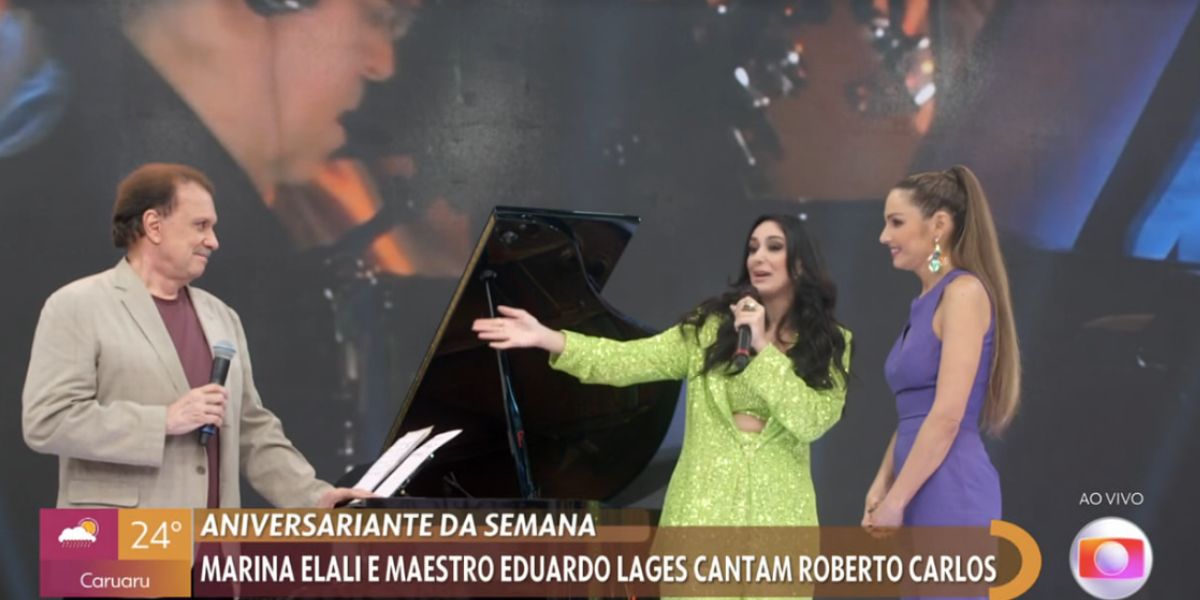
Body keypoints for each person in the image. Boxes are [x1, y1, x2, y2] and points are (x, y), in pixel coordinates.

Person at [21, 162, 373, 509]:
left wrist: (313, 496)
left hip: (214, 547)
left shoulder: (222, 317)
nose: (213, 241)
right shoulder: (77, 305)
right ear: (154, 226)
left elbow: (250, 428)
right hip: (117, 545)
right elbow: (47, 420)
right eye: (201, 226)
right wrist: (163, 421)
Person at [473, 215, 852, 527]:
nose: (757, 258)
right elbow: (627, 361)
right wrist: (549, 338)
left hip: (780, 520)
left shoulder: (832, 342)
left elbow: (812, 420)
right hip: (701, 515)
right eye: (752, 248)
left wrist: (762, 347)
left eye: (774, 247)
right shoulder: (710, 329)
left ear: (801, 264)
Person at [863, 165, 1020, 536]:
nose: (884, 236)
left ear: (939, 225)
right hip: (914, 484)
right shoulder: (925, 301)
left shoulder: (963, 293)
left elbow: (948, 415)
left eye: (896, 222)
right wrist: (882, 485)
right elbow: (914, 415)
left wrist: (896, 499)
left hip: (951, 487)